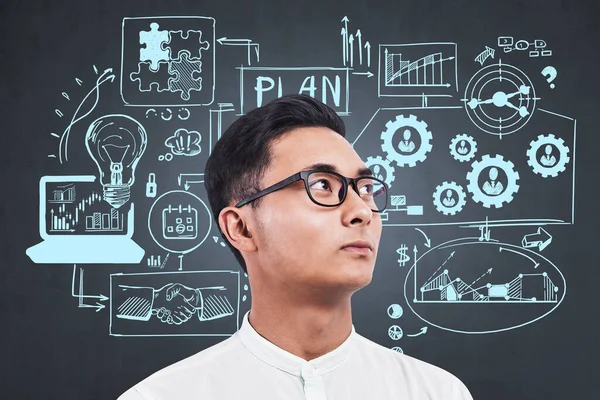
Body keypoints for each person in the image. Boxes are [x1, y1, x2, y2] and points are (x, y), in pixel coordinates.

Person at [117, 94, 473, 399]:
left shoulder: (437, 392)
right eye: (321, 184)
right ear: (240, 227)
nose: (362, 211)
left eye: (365, 188)